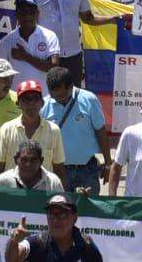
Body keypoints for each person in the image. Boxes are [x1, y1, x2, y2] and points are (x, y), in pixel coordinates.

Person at [26, 0, 116, 86]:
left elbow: (88, 18)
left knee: (73, 95)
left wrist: (113, 19)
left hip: (73, 55)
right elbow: (29, 25)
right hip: (46, 55)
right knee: (47, 95)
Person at [41, 65, 111, 195]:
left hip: (87, 171)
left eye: (62, 96)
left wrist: (108, 165)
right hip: (58, 172)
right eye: (54, 96)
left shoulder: (89, 100)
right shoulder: (44, 105)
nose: (58, 100)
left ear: (71, 86)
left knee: (88, 211)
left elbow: (101, 132)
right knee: (59, 210)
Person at [0, 79, 67, 183]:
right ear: (18, 104)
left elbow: (58, 168)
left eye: (35, 99)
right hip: (13, 193)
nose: (31, 103)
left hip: (43, 194)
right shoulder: (6, 129)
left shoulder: (54, 130)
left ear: (42, 103)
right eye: (26, 99)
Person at [4, 195, 103, 262]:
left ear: (74, 218)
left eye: (62, 214)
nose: (55, 220)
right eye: (51, 214)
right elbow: (12, 259)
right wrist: (14, 241)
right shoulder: (38, 242)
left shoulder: (86, 246)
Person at [0, 0, 61, 92]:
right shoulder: (6, 42)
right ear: (17, 15)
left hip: (43, 98)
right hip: (16, 100)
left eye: (32, 12)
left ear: (37, 14)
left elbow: (54, 67)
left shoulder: (49, 36)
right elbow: (0, 73)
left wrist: (25, 56)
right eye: (23, 12)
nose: (28, 17)